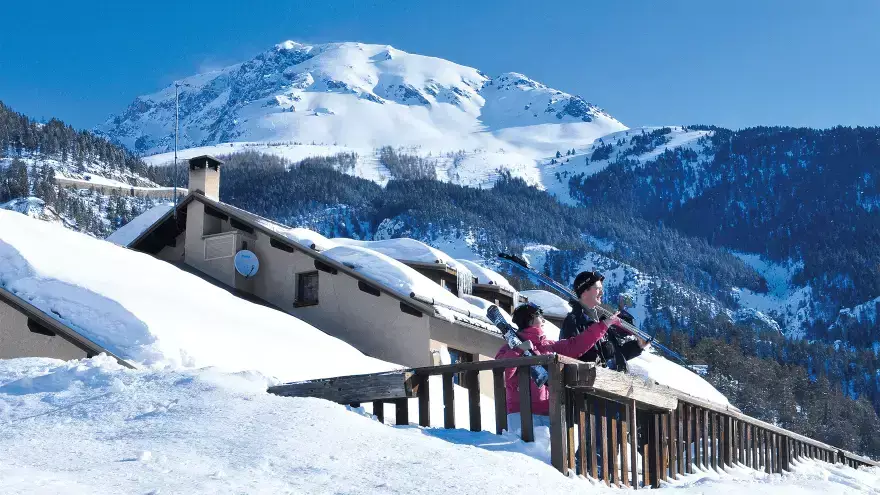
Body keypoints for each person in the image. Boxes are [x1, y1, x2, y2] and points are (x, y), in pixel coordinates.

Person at [496, 302, 620, 435]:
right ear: (530, 319)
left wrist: (604, 324)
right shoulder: (509, 347)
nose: (544, 320)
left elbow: (577, 344)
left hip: (550, 413)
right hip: (520, 413)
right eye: (539, 316)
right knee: (521, 454)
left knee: (546, 456)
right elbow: (502, 373)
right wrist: (518, 350)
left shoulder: (550, 346)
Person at [559, 271, 649, 371]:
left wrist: (638, 346)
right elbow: (569, 360)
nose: (602, 293)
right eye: (598, 289)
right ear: (584, 292)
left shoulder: (600, 322)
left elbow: (614, 357)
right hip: (592, 384)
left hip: (610, 382)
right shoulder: (573, 322)